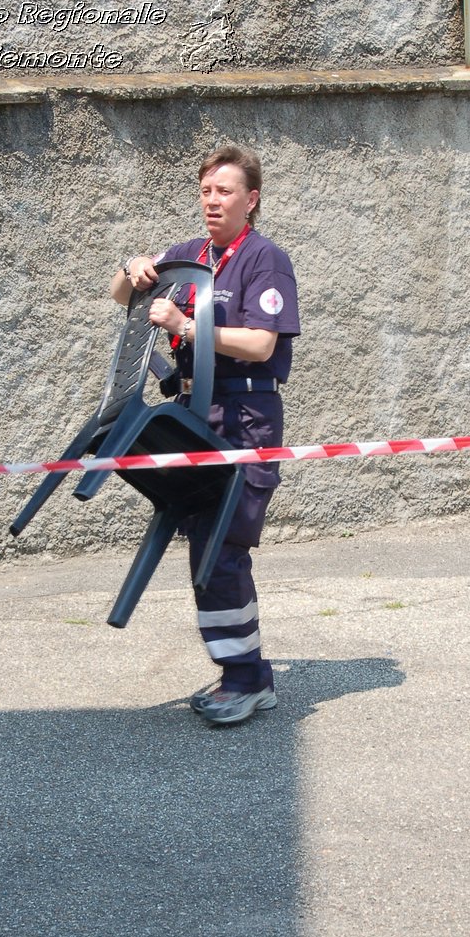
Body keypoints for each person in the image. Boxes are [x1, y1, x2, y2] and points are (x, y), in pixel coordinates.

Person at [110, 144, 300, 725]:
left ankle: (246, 679)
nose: (212, 201)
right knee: (203, 541)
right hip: (191, 415)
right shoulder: (188, 254)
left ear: (252, 199)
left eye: (224, 191)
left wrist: (189, 325)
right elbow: (122, 297)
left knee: (223, 546)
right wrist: (133, 269)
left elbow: (261, 344)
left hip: (245, 415)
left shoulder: (265, 259)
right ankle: (244, 672)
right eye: (206, 191)